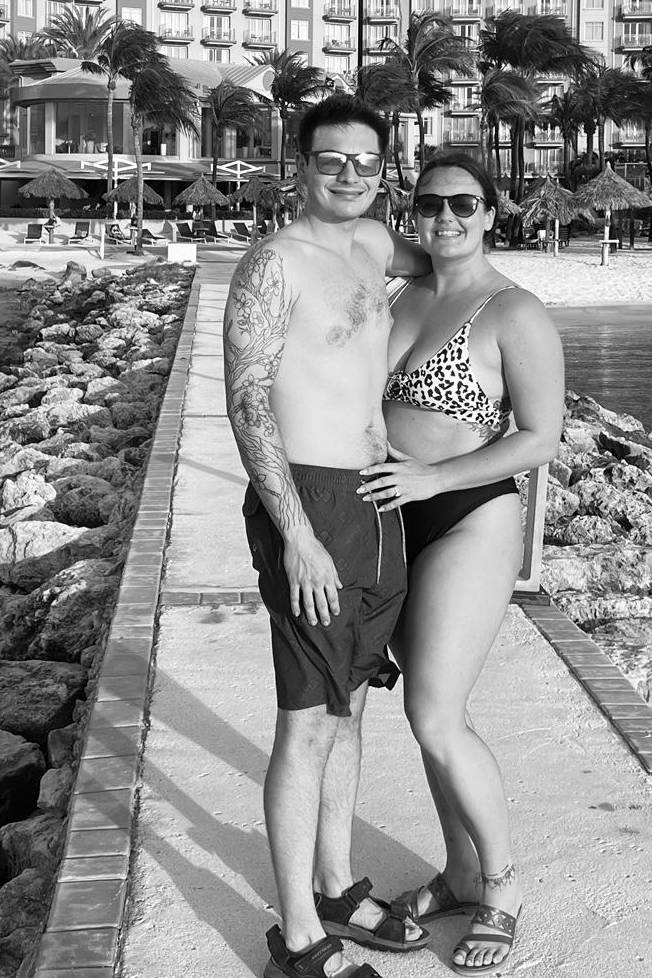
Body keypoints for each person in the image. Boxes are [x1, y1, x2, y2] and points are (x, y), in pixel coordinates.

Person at [223, 94, 432, 978]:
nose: (350, 174)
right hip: (309, 500)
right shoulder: (274, 262)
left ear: (385, 171)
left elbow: (449, 253)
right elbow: (247, 400)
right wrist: (296, 535)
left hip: (379, 501)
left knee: (351, 704)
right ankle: (300, 936)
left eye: (366, 162)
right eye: (331, 160)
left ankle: (338, 885)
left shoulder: (377, 244)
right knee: (306, 722)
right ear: (300, 167)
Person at [357, 152, 564, 972]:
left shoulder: (513, 311)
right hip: (390, 522)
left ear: (491, 213)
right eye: (430, 203)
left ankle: (504, 882)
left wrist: (433, 479)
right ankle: (460, 871)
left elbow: (539, 437)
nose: (446, 216)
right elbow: (355, 239)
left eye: (464, 204)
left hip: (468, 516)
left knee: (436, 716)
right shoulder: (404, 292)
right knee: (426, 712)